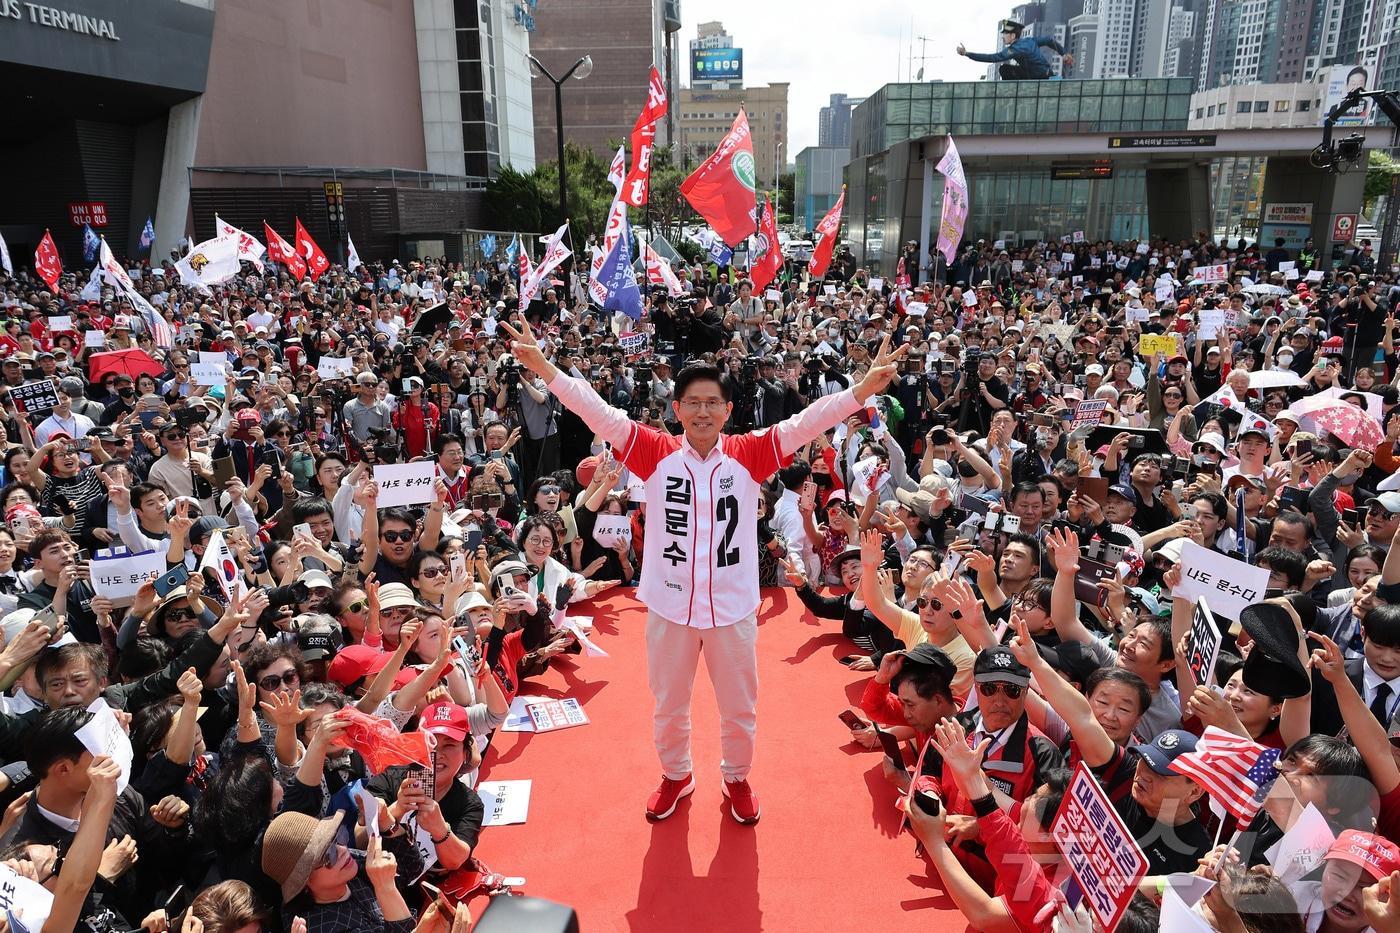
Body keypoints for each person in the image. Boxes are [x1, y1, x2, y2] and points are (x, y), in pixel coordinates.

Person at [499, 320, 907, 825]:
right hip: (669, 607)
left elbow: (805, 422)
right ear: (677, 409)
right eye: (692, 402)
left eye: (713, 402)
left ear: (728, 409)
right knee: (670, 705)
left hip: (733, 607)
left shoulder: (748, 453)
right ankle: (677, 774)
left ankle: (736, 776)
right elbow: (599, 414)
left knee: (740, 708)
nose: (703, 411)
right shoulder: (655, 452)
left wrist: (859, 392)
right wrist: (547, 371)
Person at [957, 18, 1073, 80]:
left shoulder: (1015, 49)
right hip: (1048, 73)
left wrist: (967, 53)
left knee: (1004, 69)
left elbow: (993, 57)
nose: (1003, 37)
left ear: (1012, 36)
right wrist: (1063, 54)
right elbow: (1049, 40)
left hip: (1037, 78)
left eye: (1005, 34)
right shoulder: (1029, 41)